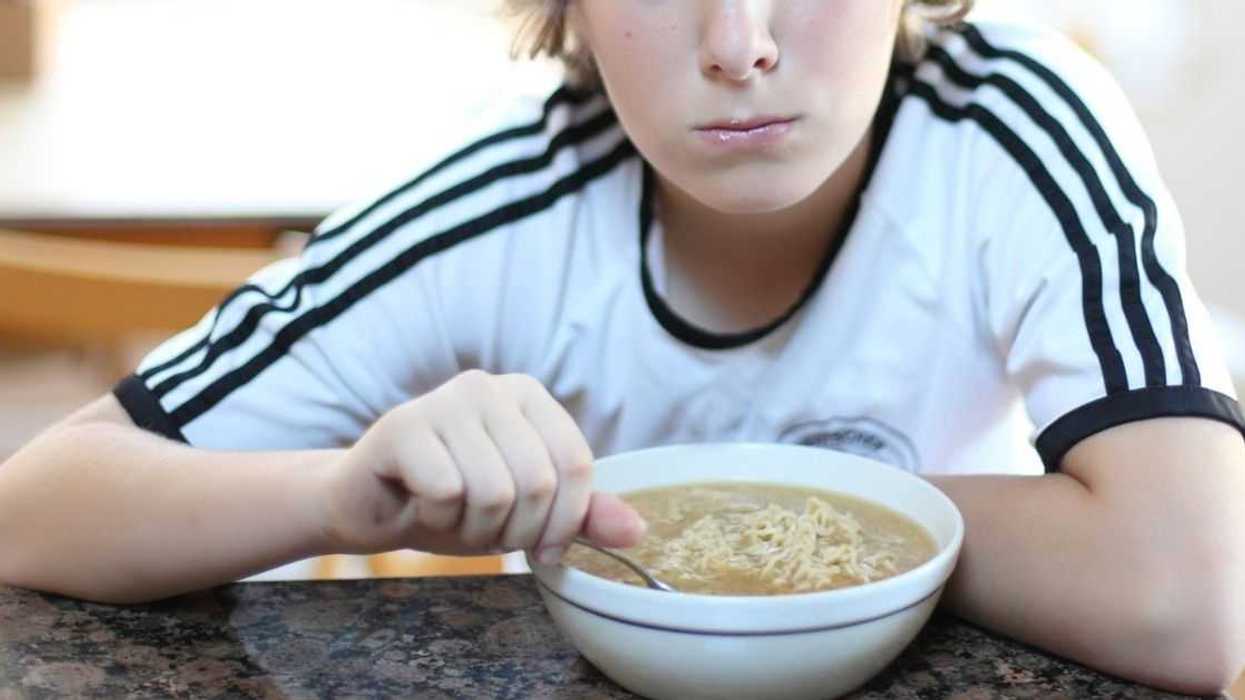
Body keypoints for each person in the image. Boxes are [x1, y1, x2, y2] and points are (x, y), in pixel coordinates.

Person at [1, 0, 1242, 693]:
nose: (742, 40)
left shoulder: (1013, 126)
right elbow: (38, 507)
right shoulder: (505, 197)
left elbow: (1196, 596)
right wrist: (337, 493)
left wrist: (807, 519)